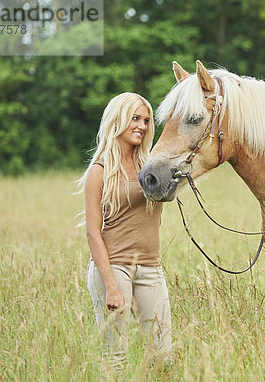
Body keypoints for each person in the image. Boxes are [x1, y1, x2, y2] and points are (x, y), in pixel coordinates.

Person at [76, 92, 171, 375]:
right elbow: (93, 233)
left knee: (162, 355)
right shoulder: (100, 170)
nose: (142, 126)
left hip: (151, 268)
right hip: (114, 267)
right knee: (115, 358)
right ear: (118, 120)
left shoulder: (149, 167)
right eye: (135, 118)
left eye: (146, 120)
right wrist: (112, 286)